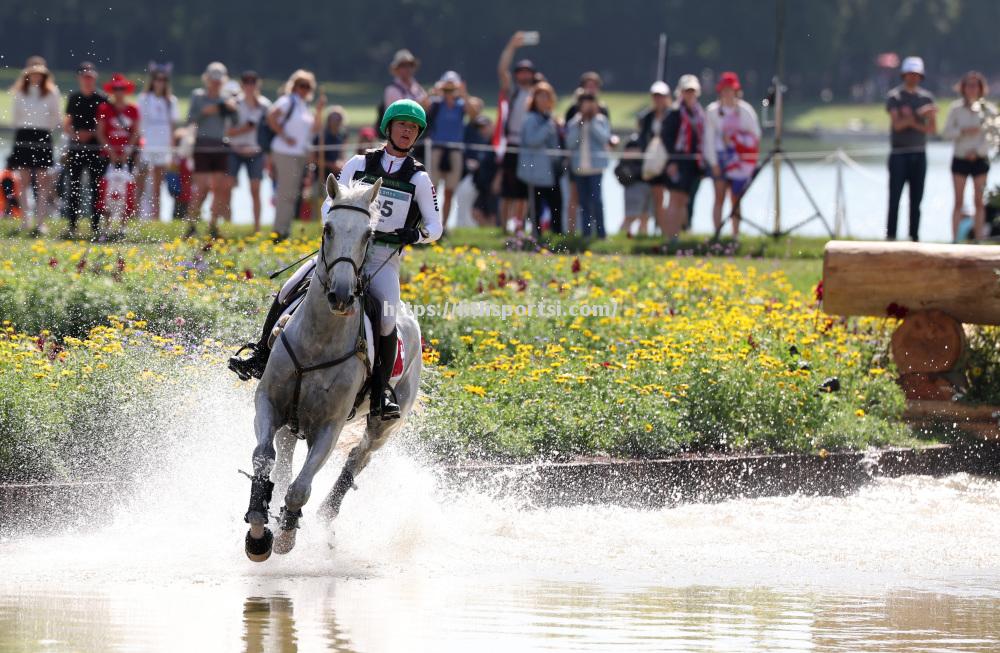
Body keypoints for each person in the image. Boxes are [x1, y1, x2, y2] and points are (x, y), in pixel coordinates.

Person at [229, 99, 443, 421]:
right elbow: (329, 202)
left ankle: (382, 392)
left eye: (413, 128)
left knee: (386, 318)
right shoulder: (359, 163)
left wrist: (413, 236)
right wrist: (339, 225)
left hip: (382, 258)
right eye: (402, 125)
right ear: (389, 128)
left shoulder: (419, 179)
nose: (407, 131)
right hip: (342, 250)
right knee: (288, 288)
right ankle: (260, 355)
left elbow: (435, 227)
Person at [268, 69, 325, 240]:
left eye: (308, 86)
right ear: (294, 86)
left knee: (292, 194)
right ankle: (279, 231)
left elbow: (314, 129)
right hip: (285, 152)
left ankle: (284, 229)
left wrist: (320, 110)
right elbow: (271, 116)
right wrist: (284, 136)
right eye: (301, 85)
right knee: (286, 193)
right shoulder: (287, 101)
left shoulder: (304, 107)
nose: (304, 89)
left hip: (299, 154)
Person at [703, 72, 761, 239]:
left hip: (740, 161)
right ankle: (717, 235)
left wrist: (737, 139)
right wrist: (713, 163)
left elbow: (755, 136)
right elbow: (708, 140)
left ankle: (735, 235)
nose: (728, 93)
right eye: (725, 90)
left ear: (736, 91)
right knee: (719, 196)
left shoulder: (745, 110)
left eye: (731, 90)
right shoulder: (712, 111)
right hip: (720, 159)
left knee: (736, 198)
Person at [885, 56, 937, 242]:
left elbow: (931, 129)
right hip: (899, 154)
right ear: (904, 75)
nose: (913, 78)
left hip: (919, 154)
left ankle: (914, 237)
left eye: (916, 74)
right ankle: (890, 237)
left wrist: (910, 120)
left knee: (916, 200)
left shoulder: (926, 97)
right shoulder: (895, 97)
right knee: (894, 199)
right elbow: (897, 125)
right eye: (910, 74)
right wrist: (918, 116)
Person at [9, 56, 61, 236]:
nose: (36, 77)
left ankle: (40, 222)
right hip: (23, 135)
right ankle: (25, 220)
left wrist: (44, 129)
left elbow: (56, 118)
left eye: (39, 74)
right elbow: (16, 117)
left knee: (42, 182)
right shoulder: (20, 92)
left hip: (42, 135)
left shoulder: (51, 92)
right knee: (23, 181)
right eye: (33, 73)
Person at [186, 62, 237, 239]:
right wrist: (209, 110)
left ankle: (213, 225)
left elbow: (236, 120)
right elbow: (191, 118)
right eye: (213, 79)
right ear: (207, 79)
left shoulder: (226, 98)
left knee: (218, 188)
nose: (215, 83)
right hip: (202, 144)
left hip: (220, 145)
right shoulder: (198, 96)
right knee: (201, 188)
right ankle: (191, 224)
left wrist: (231, 107)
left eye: (218, 80)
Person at [942, 71, 993, 242]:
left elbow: (992, 136)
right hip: (960, 158)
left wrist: (977, 152)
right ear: (963, 88)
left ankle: (979, 239)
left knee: (979, 201)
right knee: (958, 201)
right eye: (968, 85)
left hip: (980, 160)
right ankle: (954, 240)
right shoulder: (955, 109)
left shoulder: (988, 109)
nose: (972, 89)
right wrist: (963, 132)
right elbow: (947, 132)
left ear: (981, 88)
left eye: (975, 85)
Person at [496, 32, 538, 230]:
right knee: (508, 190)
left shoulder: (538, 93)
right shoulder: (514, 91)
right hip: (513, 143)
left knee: (524, 191)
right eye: (520, 71)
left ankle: (520, 228)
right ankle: (504, 227)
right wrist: (511, 46)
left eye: (527, 72)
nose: (524, 75)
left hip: (530, 145)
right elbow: (502, 70)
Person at [63, 61, 108, 237]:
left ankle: (95, 226)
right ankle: (72, 225)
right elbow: (67, 122)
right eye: (85, 77)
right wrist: (75, 135)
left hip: (95, 148)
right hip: (75, 147)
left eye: (90, 77)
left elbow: (104, 123)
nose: (88, 81)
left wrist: (91, 133)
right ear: (79, 78)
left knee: (96, 188)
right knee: (73, 186)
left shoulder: (102, 98)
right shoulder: (74, 98)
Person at [225, 71, 272, 232]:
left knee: (256, 189)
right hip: (234, 151)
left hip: (256, 152)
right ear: (242, 85)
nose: (250, 85)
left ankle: (257, 228)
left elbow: (269, 130)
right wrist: (247, 128)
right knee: (227, 188)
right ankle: (228, 226)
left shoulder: (265, 105)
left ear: (258, 85)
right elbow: (227, 131)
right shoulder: (234, 104)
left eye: (253, 82)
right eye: (247, 82)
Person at [661, 74, 706, 241]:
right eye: (687, 91)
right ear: (680, 92)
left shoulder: (698, 113)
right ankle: (670, 237)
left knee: (683, 200)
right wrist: (671, 161)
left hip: (693, 163)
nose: (690, 94)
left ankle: (677, 235)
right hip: (677, 162)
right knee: (674, 198)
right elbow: (667, 138)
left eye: (692, 91)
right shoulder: (674, 112)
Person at [517, 82, 562, 237]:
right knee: (535, 207)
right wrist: (547, 127)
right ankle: (536, 237)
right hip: (534, 172)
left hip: (550, 172)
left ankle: (557, 237)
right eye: (540, 96)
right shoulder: (531, 119)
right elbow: (531, 141)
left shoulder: (549, 119)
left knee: (556, 204)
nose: (544, 100)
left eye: (547, 96)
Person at [135, 63, 179, 221]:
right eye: (157, 79)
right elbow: (139, 123)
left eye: (163, 80)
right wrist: (139, 143)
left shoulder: (170, 101)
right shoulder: (144, 98)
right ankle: (134, 215)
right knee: (140, 180)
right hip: (147, 143)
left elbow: (173, 127)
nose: (160, 82)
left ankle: (156, 217)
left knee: (157, 185)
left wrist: (173, 150)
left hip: (162, 145)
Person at [427, 71, 467, 228]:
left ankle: (443, 226)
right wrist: (434, 92)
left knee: (450, 191)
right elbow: (423, 106)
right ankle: (431, 224)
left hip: (455, 151)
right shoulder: (436, 104)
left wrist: (462, 93)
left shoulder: (461, 105)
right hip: (437, 149)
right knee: (432, 191)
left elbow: (474, 113)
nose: (449, 91)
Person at [566, 93, 610, 238]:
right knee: (584, 202)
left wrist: (590, 123)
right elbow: (570, 143)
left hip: (596, 168)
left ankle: (601, 233)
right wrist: (581, 125)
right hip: (579, 169)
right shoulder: (574, 123)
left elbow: (604, 138)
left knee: (596, 201)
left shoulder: (601, 120)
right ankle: (586, 233)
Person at [637, 81, 672, 236]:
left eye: (661, 96)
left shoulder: (672, 115)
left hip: (668, 162)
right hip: (652, 162)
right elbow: (642, 139)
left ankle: (665, 231)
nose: (659, 99)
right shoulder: (646, 117)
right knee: (654, 198)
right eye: (656, 96)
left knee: (667, 199)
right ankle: (653, 232)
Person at [615, 134, 652, 237]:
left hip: (648, 184)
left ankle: (641, 242)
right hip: (634, 185)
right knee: (631, 217)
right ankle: (621, 240)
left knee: (645, 217)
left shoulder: (647, 140)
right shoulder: (634, 141)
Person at [313, 106, 348, 182]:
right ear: (329, 120)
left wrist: (342, 163)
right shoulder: (321, 136)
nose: (336, 121)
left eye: (338, 119)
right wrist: (331, 165)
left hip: (337, 176)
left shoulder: (343, 135)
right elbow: (312, 159)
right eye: (334, 118)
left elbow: (342, 154)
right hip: (320, 176)